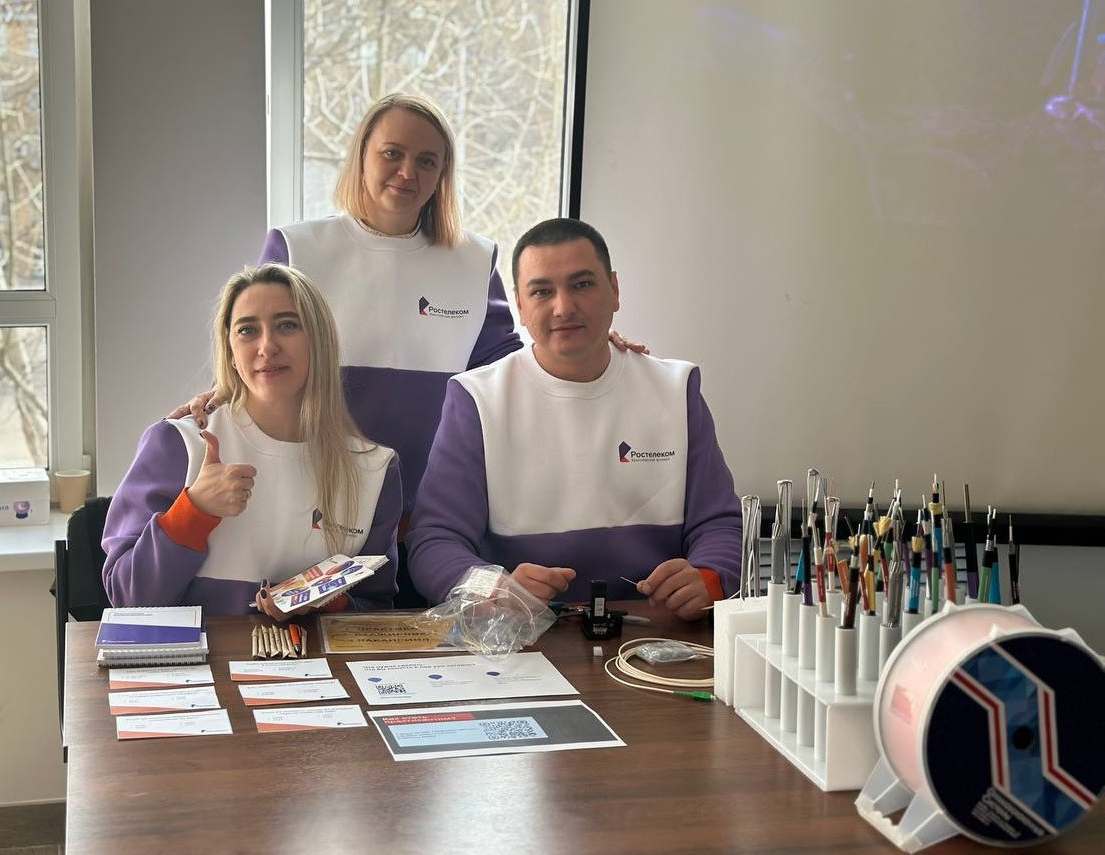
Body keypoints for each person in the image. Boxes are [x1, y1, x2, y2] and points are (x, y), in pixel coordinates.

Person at [173, 93, 644, 606]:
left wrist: (585, 345)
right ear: (361, 156)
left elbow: (510, 365)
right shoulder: (299, 248)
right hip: (329, 517)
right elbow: (255, 340)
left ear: (443, 174)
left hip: (433, 521)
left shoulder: (471, 260)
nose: (407, 172)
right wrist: (219, 392)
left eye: (426, 161)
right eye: (391, 154)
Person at [407, 218, 741, 621]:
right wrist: (492, 589)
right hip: (524, 635)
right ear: (520, 306)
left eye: (582, 284)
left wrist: (711, 576)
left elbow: (720, 524)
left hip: (654, 630)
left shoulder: (675, 388)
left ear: (614, 290)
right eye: (542, 291)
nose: (564, 307)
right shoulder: (478, 398)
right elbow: (434, 543)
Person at [103, 264, 401, 618]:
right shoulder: (177, 444)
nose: (267, 346)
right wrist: (194, 510)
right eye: (247, 330)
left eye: (287, 325)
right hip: (202, 656)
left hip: (311, 656)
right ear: (230, 352)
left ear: (319, 341)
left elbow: (375, 611)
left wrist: (324, 603)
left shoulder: (374, 469)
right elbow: (127, 599)